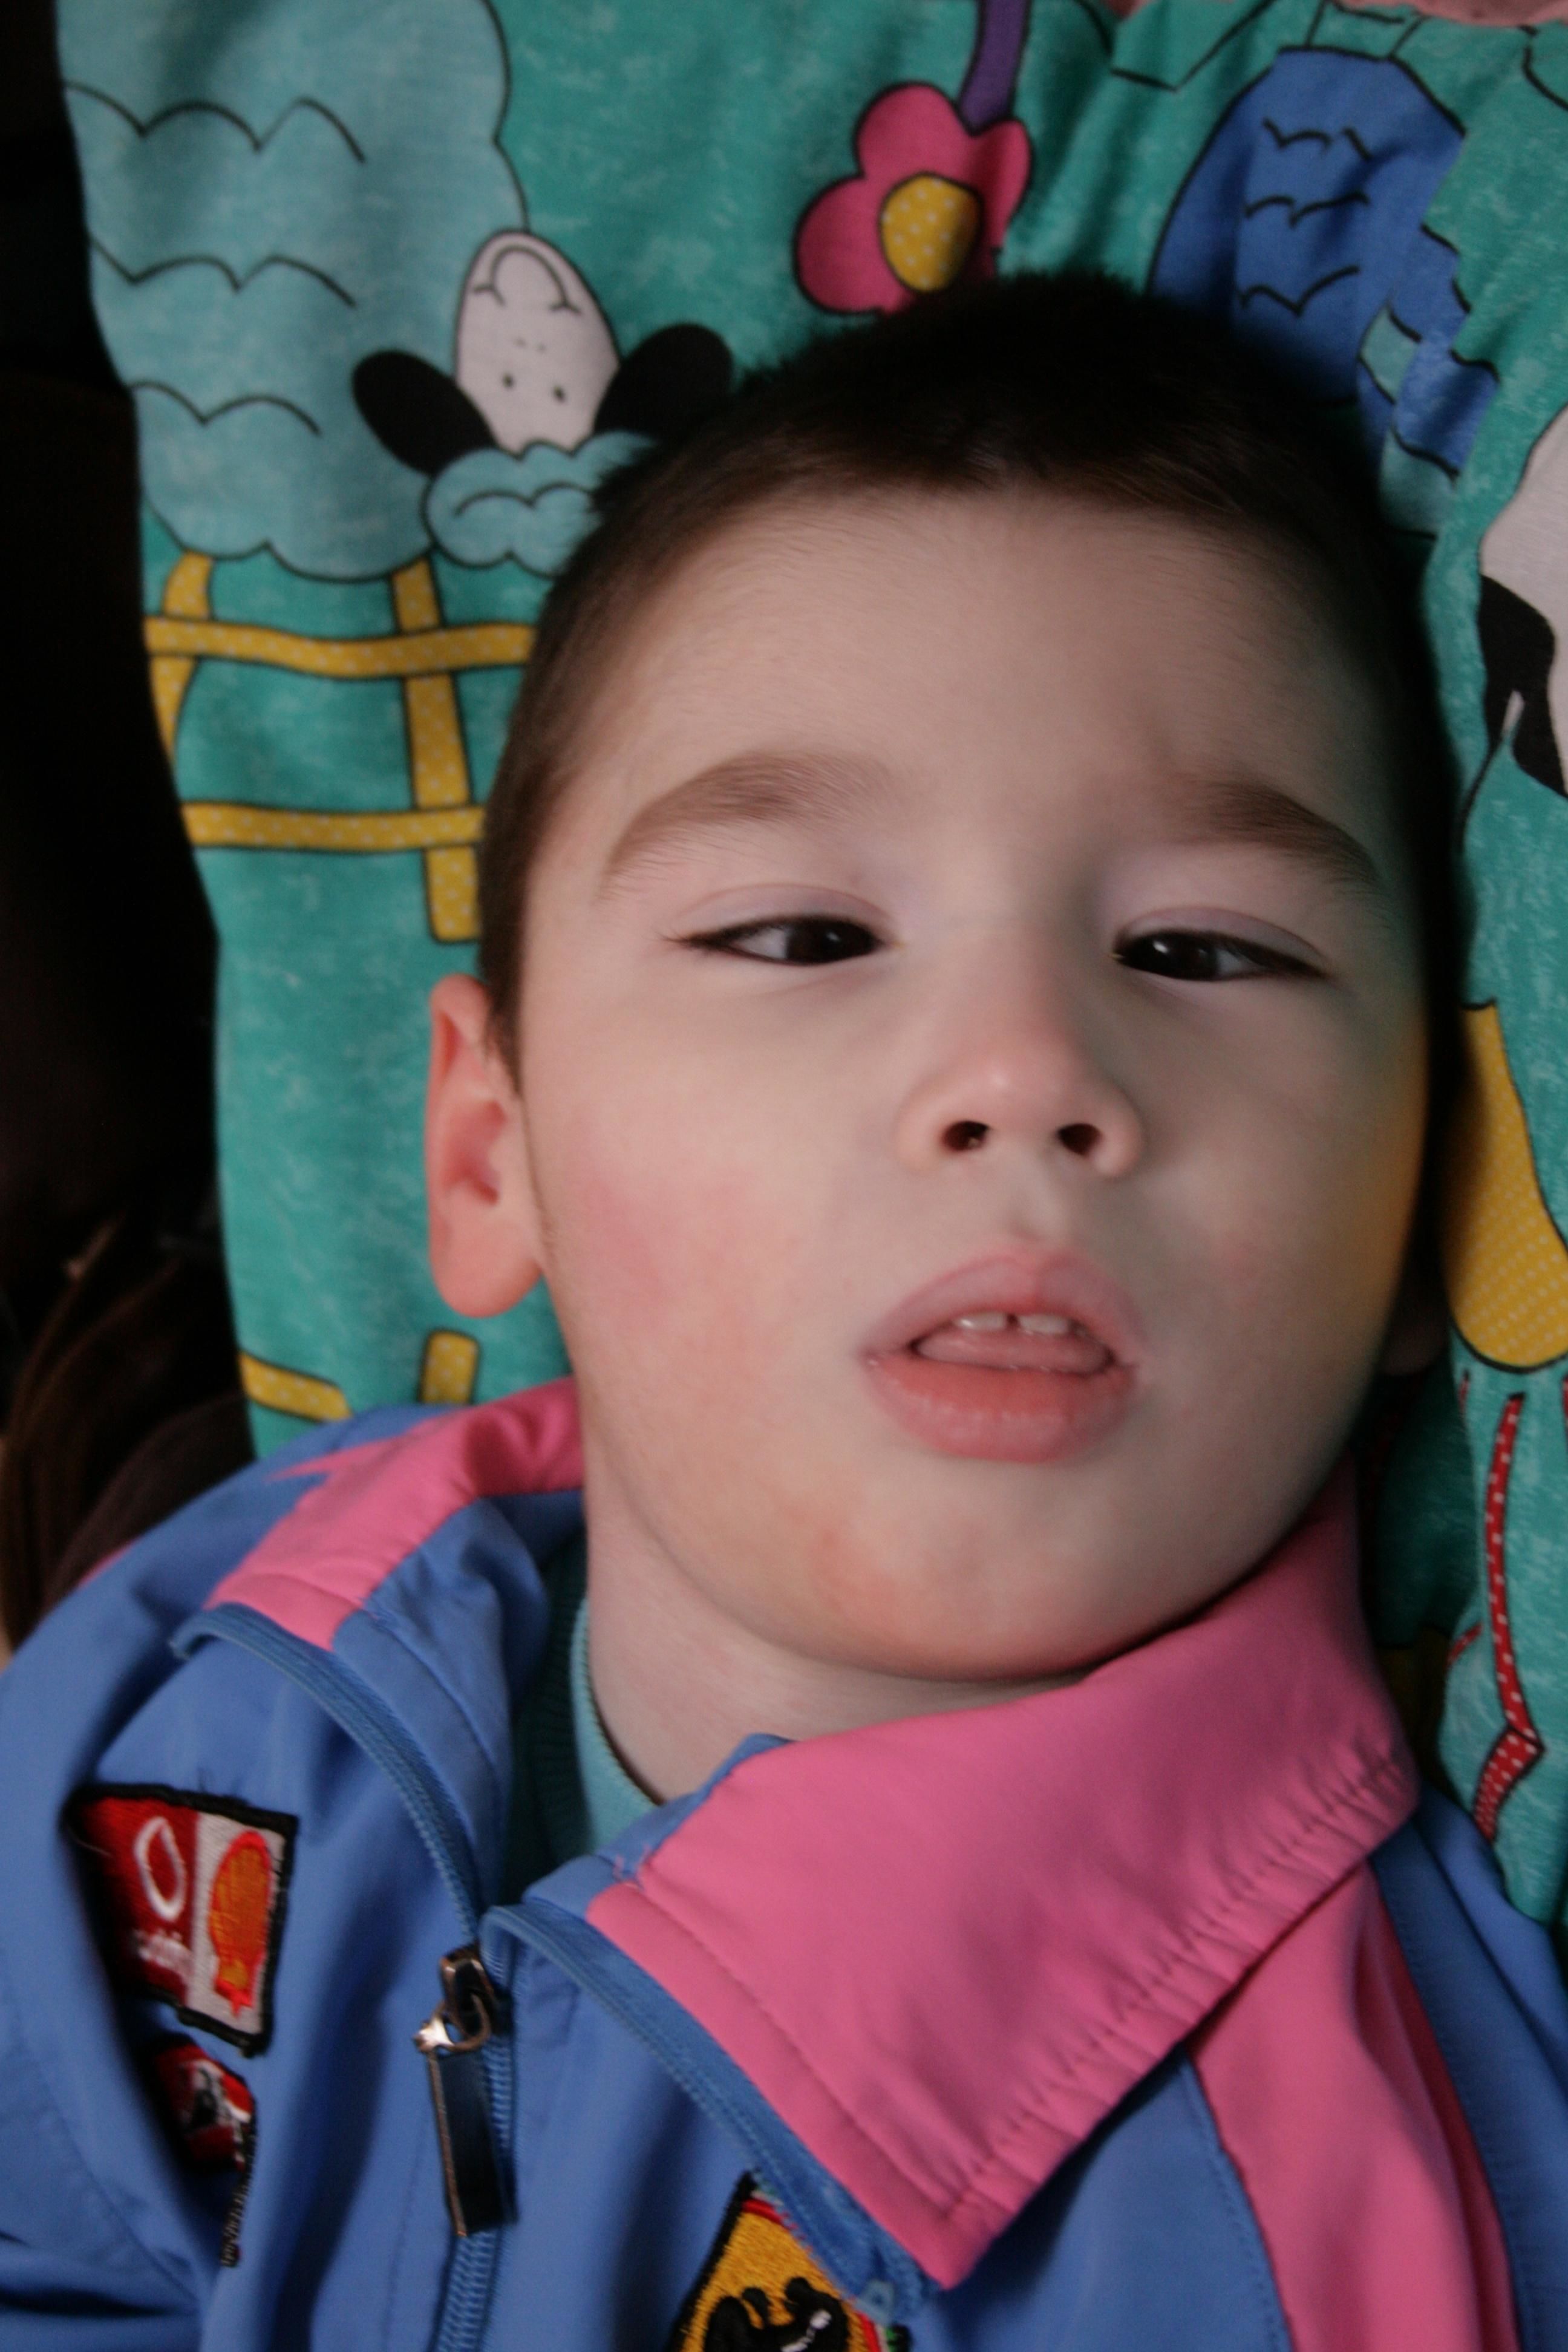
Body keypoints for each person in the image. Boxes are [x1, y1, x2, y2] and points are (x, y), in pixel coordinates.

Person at [1, 271, 1564, 2352]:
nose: (1021, 1072)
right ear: (489, 1154)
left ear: (1430, 1196)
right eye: (806, 933)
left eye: (1203, 950)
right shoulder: (215, 1660)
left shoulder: (1352, 2220)